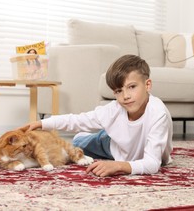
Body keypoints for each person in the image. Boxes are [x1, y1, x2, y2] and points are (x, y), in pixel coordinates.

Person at [23, 54, 173, 177]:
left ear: (147, 85)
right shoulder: (114, 109)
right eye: (118, 91)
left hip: (128, 146)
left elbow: (152, 164)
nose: (125, 96)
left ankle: (105, 132)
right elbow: (78, 120)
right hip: (113, 145)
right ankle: (95, 135)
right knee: (79, 144)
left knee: (102, 135)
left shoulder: (158, 113)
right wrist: (43, 123)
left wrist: (119, 166)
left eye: (132, 87)